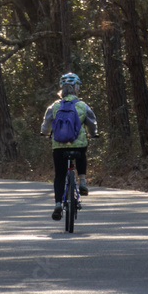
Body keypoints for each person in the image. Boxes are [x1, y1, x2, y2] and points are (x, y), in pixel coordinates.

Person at [40, 72, 99, 221]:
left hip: (59, 147)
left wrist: (45, 134)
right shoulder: (82, 106)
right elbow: (92, 124)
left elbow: (46, 125)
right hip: (78, 146)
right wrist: (94, 134)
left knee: (59, 175)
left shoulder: (54, 106)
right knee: (82, 152)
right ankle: (83, 182)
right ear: (76, 88)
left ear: (62, 88)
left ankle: (58, 204)